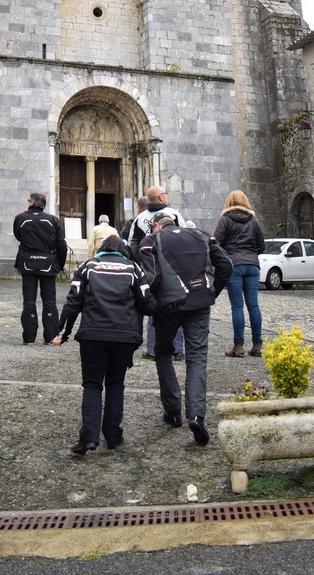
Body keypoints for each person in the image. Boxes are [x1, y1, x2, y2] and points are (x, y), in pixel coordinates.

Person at [53, 234, 156, 454]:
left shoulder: (87, 267)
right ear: (123, 250)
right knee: (115, 384)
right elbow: (147, 303)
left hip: (93, 335)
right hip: (124, 336)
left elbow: (73, 302)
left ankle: (89, 437)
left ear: (102, 248)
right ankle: (112, 435)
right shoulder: (133, 268)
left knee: (92, 384)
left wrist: (62, 333)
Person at [138, 213, 232, 445]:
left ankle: (173, 412)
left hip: (169, 305)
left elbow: (151, 278)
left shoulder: (151, 240)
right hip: (200, 301)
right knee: (197, 357)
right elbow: (226, 265)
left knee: (162, 353)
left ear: (157, 225)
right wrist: (212, 292)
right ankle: (196, 416)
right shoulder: (201, 234)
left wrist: (152, 305)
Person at [213, 189, 265, 358]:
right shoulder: (254, 221)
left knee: (237, 306)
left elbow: (216, 243)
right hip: (252, 265)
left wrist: (224, 258)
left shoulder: (225, 220)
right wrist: (250, 253)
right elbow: (261, 245)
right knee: (253, 305)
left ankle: (238, 346)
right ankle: (257, 345)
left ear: (229, 202)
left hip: (234, 265)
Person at [13, 192, 67, 344]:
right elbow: (61, 244)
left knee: (29, 301)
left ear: (31, 202)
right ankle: (50, 336)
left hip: (27, 262)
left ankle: (29, 337)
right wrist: (60, 265)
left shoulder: (20, 218)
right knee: (49, 300)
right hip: (48, 263)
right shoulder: (52, 220)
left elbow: (19, 236)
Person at [127, 185, 185, 257]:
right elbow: (185, 235)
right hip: (171, 260)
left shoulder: (139, 218)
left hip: (148, 261)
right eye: (165, 193)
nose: (166, 196)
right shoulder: (174, 214)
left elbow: (132, 243)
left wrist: (141, 261)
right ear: (161, 197)